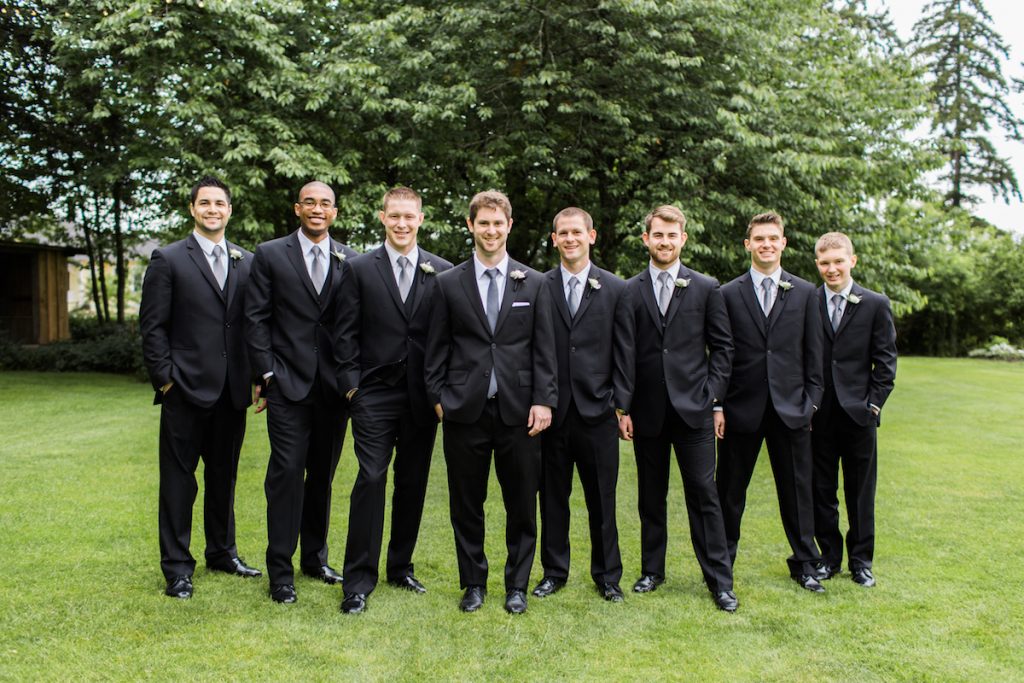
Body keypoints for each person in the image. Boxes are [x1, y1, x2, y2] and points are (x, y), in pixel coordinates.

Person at [424, 190, 557, 614]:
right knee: (466, 503)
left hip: (519, 413)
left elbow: (544, 349)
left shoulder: (534, 282)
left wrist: (544, 400)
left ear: (509, 226)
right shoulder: (447, 283)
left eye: (498, 223)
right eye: (484, 223)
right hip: (465, 409)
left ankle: (516, 585)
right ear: (471, 226)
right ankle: (473, 584)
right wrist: (439, 399)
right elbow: (436, 349)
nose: (491, 230)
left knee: (521, 502)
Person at [140, 176, 262, 599]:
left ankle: (222, 552)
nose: (213, 209)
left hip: (232, 392)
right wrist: (167, 381)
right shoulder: (168, 259)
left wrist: (256, 377)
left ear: (230, 210)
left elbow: (251, 325)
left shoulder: (246, 261)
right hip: (185, 390)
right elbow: (153, 328)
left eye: (220, 203)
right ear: (192, 208)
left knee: (224, 478)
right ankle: (177, 568)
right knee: (179, 480)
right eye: (204, 203)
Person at [333, 187, 453, 614]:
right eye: (394, 216)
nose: (402, 223)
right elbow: (342, 332)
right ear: (382, 217)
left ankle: (400, 566)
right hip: (373, 394)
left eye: (410, 216)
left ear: (421, 219)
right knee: (370, 478)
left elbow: (448, 339)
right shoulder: (359, 268)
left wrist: (442, 393)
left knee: (413, 484)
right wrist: (352, 387)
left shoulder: (442, 271)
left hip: (423, 397)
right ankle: (358, 581)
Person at [620, 205, 738, 612]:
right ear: (646, 239)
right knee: (650, 497)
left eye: (672, 235)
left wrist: (712, 394)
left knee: (705, 496)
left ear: (683, 239)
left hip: (695, 411)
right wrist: (624, 407)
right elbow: (624, 352)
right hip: (647, 411)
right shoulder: (629, 290)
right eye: (658, 235)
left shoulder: (706, 287)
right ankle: (652, 571)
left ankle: (719, 581)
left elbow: (723, 347)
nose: (665, 242)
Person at [245, 181, 359, 604]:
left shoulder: (351, 259)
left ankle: (315, 558)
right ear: (297, 208)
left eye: (325, 203)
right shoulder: (270, 254)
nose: (317, 209)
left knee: (322, 479)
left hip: (333, 390)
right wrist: (267, 374)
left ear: (334, 212)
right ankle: (281, 571)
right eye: (309, 202)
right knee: (286, 475)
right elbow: (255, 319)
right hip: (287, 386)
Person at [717, 211, 826, 592]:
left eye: (772, 238)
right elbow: (721, 353)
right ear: (748, 244)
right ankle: (722, 565)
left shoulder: (806, 293)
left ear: (783, 243)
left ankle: (805, 564)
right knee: (729, 494)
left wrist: (810, 403)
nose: (766, 244)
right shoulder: (727, 294)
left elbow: (815, 355)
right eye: (759, 239)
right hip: (739, 410)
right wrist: (718, 405)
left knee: (797, 493)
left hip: (791, 410)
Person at [532, 207, 633, 604]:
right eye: (562, 233)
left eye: (577, 232)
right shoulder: (539, 285)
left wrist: (620, 405)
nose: (570, 238)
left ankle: (608, 576)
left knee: (602, 500)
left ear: (592, 236)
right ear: (553, 239)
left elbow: (625, 352)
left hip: (598, 413)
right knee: (552, 498)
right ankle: (554, 572)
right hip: (553, 412)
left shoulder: (615, 288)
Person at [811, 232, 897, 588]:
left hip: (859, 415)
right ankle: (829, 558)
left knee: (860, 492)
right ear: (817, 264)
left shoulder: (875, 304)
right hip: (818, 416)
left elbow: (886, 363)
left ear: (852, 261)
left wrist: (872, 406)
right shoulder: (808, 302)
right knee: (821, 491)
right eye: (825, 263)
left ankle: (861, 561)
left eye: (838, 261)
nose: (832, 269)